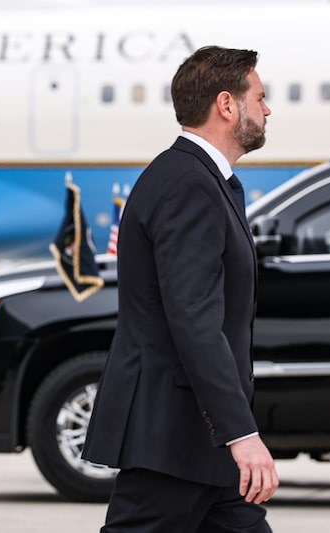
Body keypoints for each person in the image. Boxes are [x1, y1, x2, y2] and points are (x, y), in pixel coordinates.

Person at [82, 46, 278, 532]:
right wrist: (241, 433)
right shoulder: (188, 183)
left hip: (200, 445)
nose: (268, 109)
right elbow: (193, 320)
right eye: (260, 97)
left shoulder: (203, 180)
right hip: (171, 437)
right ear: (227, 105)